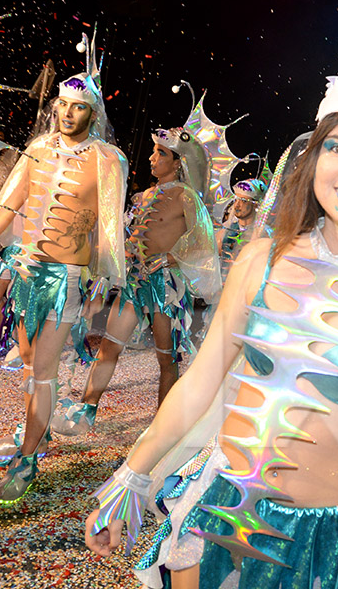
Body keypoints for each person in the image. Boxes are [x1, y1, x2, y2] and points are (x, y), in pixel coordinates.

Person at [84, 59, 338, 588]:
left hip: (316, 546)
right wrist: (132, 475)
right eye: (337, 147)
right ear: (312, 161)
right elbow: (200, 383)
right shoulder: (261, 260)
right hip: (213, 515)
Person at [0, 40, 128, 503]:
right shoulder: (36, 148)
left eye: (78, 108)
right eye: (62, 105)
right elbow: (7, 205)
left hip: (65, 279)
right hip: (25, 273)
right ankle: (34, 431)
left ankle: (28, 459)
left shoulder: (108, 160)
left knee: (43, 369)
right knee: (30, 365)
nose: (67, 114)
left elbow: (111, 226)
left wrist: (105, 276)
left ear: (92, 115)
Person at [52, 118, 221, 436]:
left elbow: (203, 240)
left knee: (166, 359)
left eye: (160, 153)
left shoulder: (186, 197)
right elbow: (126, 241)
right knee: (109, 348)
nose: (152, 158)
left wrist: (169, 259)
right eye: (153, 153)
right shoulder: (142, 197)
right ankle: (87, 409)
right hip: (134, 285)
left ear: (177, 162)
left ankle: (163, 425)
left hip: (165, 288)